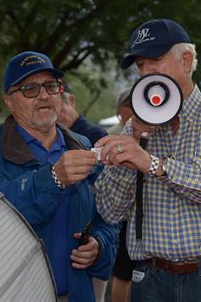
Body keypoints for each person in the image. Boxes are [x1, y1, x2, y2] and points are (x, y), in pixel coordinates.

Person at [94, 19, 201, 301]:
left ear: (187, 60)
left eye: (155, 60)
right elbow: (110, 211)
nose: (147, 72)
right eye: (141, 65)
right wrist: (136, 142)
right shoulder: (135, 127)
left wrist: (154, 164)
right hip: (151, 280)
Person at [0, 51, 117, 301]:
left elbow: (108, 217)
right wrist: (53, 178)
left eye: (50, 86)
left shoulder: (82, 145)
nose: (43, 95)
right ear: (9, 101)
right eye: (29, 88)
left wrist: (98, 247)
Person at [57, 81, 109, 302]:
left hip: (92, 240)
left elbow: (107, 194)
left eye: (59, 105)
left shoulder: (92, 135)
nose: (55, 112)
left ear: (72, 101)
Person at [106, 89, 135, 302]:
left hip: (135, 215)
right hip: (125, 216)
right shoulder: (117, 134)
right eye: (130, 106)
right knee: (123, 272)